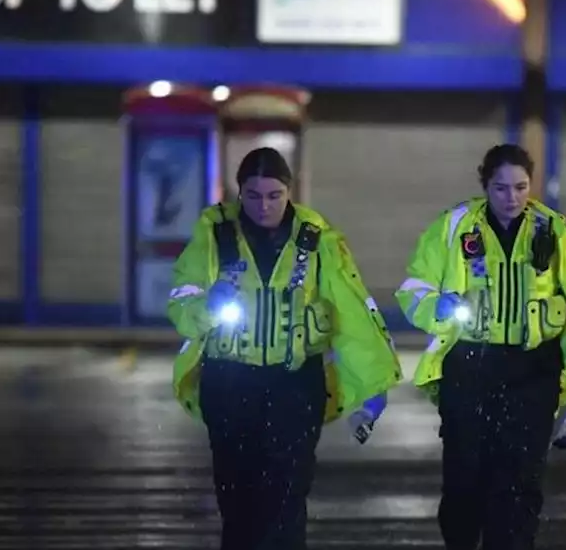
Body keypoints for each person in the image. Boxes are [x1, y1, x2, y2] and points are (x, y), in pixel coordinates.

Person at [168, 147, 403, 550]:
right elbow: (181, 298)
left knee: (287, 499)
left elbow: (352, 309)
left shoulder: (316, 238)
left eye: (274, 195)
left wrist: (373, 381)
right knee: (237, 501)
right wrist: (206, 305)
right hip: (229, 384)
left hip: (295, 385)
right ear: (239, 192)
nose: (264, 206)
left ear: (290, 191)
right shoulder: (215, 232)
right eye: (254, 195)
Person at [396, 144, 566, 550]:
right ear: (486, 186)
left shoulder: (556, 234)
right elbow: (413, 290)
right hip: (469, 370)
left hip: (533, 374)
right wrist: (437, 306)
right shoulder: (453, 228)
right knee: (465, 480)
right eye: (501, 188)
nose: (512, 198)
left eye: (520, 187)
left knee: (520, 483)